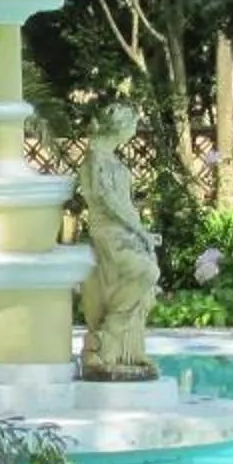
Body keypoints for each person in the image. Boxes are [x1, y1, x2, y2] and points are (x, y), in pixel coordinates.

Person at [77, 103, 160, 381]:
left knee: (147, 281)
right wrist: (140, 231)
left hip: (124, 231)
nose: (135, 130)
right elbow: (108, 202)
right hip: (109, 233)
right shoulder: (96, 160)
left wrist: (142, 233)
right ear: (120, 127)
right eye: (133, 124)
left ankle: (125, 352)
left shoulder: (109, 159)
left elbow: (124, 204)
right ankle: (109, 331)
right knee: (147, 272)